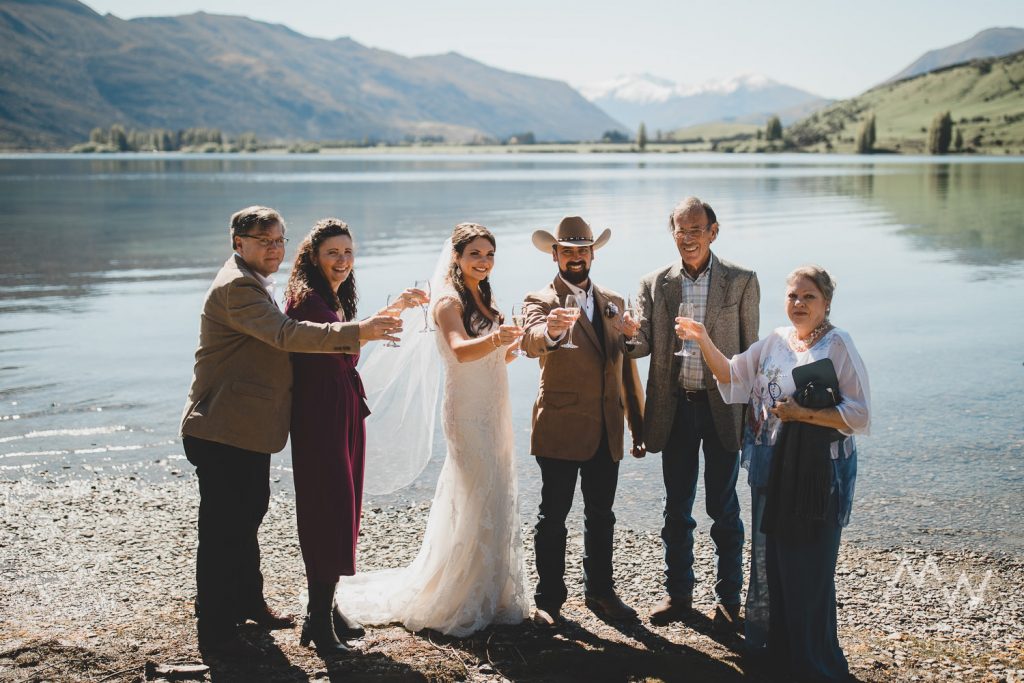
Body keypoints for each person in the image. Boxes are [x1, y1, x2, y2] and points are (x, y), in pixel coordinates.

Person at [179, 206, 401, 656]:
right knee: (224, 531)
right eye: (263, 240)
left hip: (248, 427)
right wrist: (359, 331)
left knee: (247, 518)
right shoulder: (236, 286)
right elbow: (285, 335)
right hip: (222, 425)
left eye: (279, 239)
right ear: (238, 243)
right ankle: (217, 631)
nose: (274, 248)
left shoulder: (256, 282)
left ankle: (248, 601)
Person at [675, 265, 870, 681]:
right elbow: (731, 377)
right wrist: (702, 338)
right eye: (793, 296)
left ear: (827, 303)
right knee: (773, 565)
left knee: (809, 569)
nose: (798, 304)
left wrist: (803, 413)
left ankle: (814, 663)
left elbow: (860, 414)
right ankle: (780, 656)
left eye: (809, 297)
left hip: (819, 473)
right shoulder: (775, 342)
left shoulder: (839, 345)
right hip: (772, 467)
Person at [335, 222, 530, 637]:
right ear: (457, 257)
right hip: (467, 411)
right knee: (475, 490)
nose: (484, 261)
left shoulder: (485, 295)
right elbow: (460, 352)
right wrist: (498, 341)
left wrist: (516, 345)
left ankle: (492, 591)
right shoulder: (447, 302)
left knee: (494, 489)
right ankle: (462, 592)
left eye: (490, 254)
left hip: (494, 406)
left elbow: (492, 360)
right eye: (475, 254)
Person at [283, 218, 425, 654]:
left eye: (348, 253)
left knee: (343, 507)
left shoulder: (329, 294)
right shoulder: (306, 300)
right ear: (313, 256)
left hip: (341, 405)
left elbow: (353, 333)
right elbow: (341, 340)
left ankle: (327, 607)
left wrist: (397, 306)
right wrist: (381, 322)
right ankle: (317, 621)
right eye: (333, 253)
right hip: (320, 412)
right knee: (329, 508)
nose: (343, 261)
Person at [625, 197, 759, 630]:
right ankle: (679, 595)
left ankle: (728, 600)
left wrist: (754, 415)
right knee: (676, 509)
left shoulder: (741, 281)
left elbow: (751, 354)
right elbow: (642, 344)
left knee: (724, 509)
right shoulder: (654, 283)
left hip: (723, 409)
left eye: (696, 229)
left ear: (713, 232)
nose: (688, 238)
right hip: (675, 409)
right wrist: (627, 336)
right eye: (681, 230)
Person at [521, 216, 645, 627]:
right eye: (567, 250)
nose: (576, 257)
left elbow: (624, 364)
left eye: (582, 250)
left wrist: (637, 426)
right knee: (552, 517)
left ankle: (601, 592)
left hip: (607, 427)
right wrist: (552, 334)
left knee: (602, 516)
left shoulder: (613, 301)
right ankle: (549, 601)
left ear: (592, 253)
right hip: (560, 424)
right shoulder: (540, 299)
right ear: (555, 254)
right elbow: (530, 340)